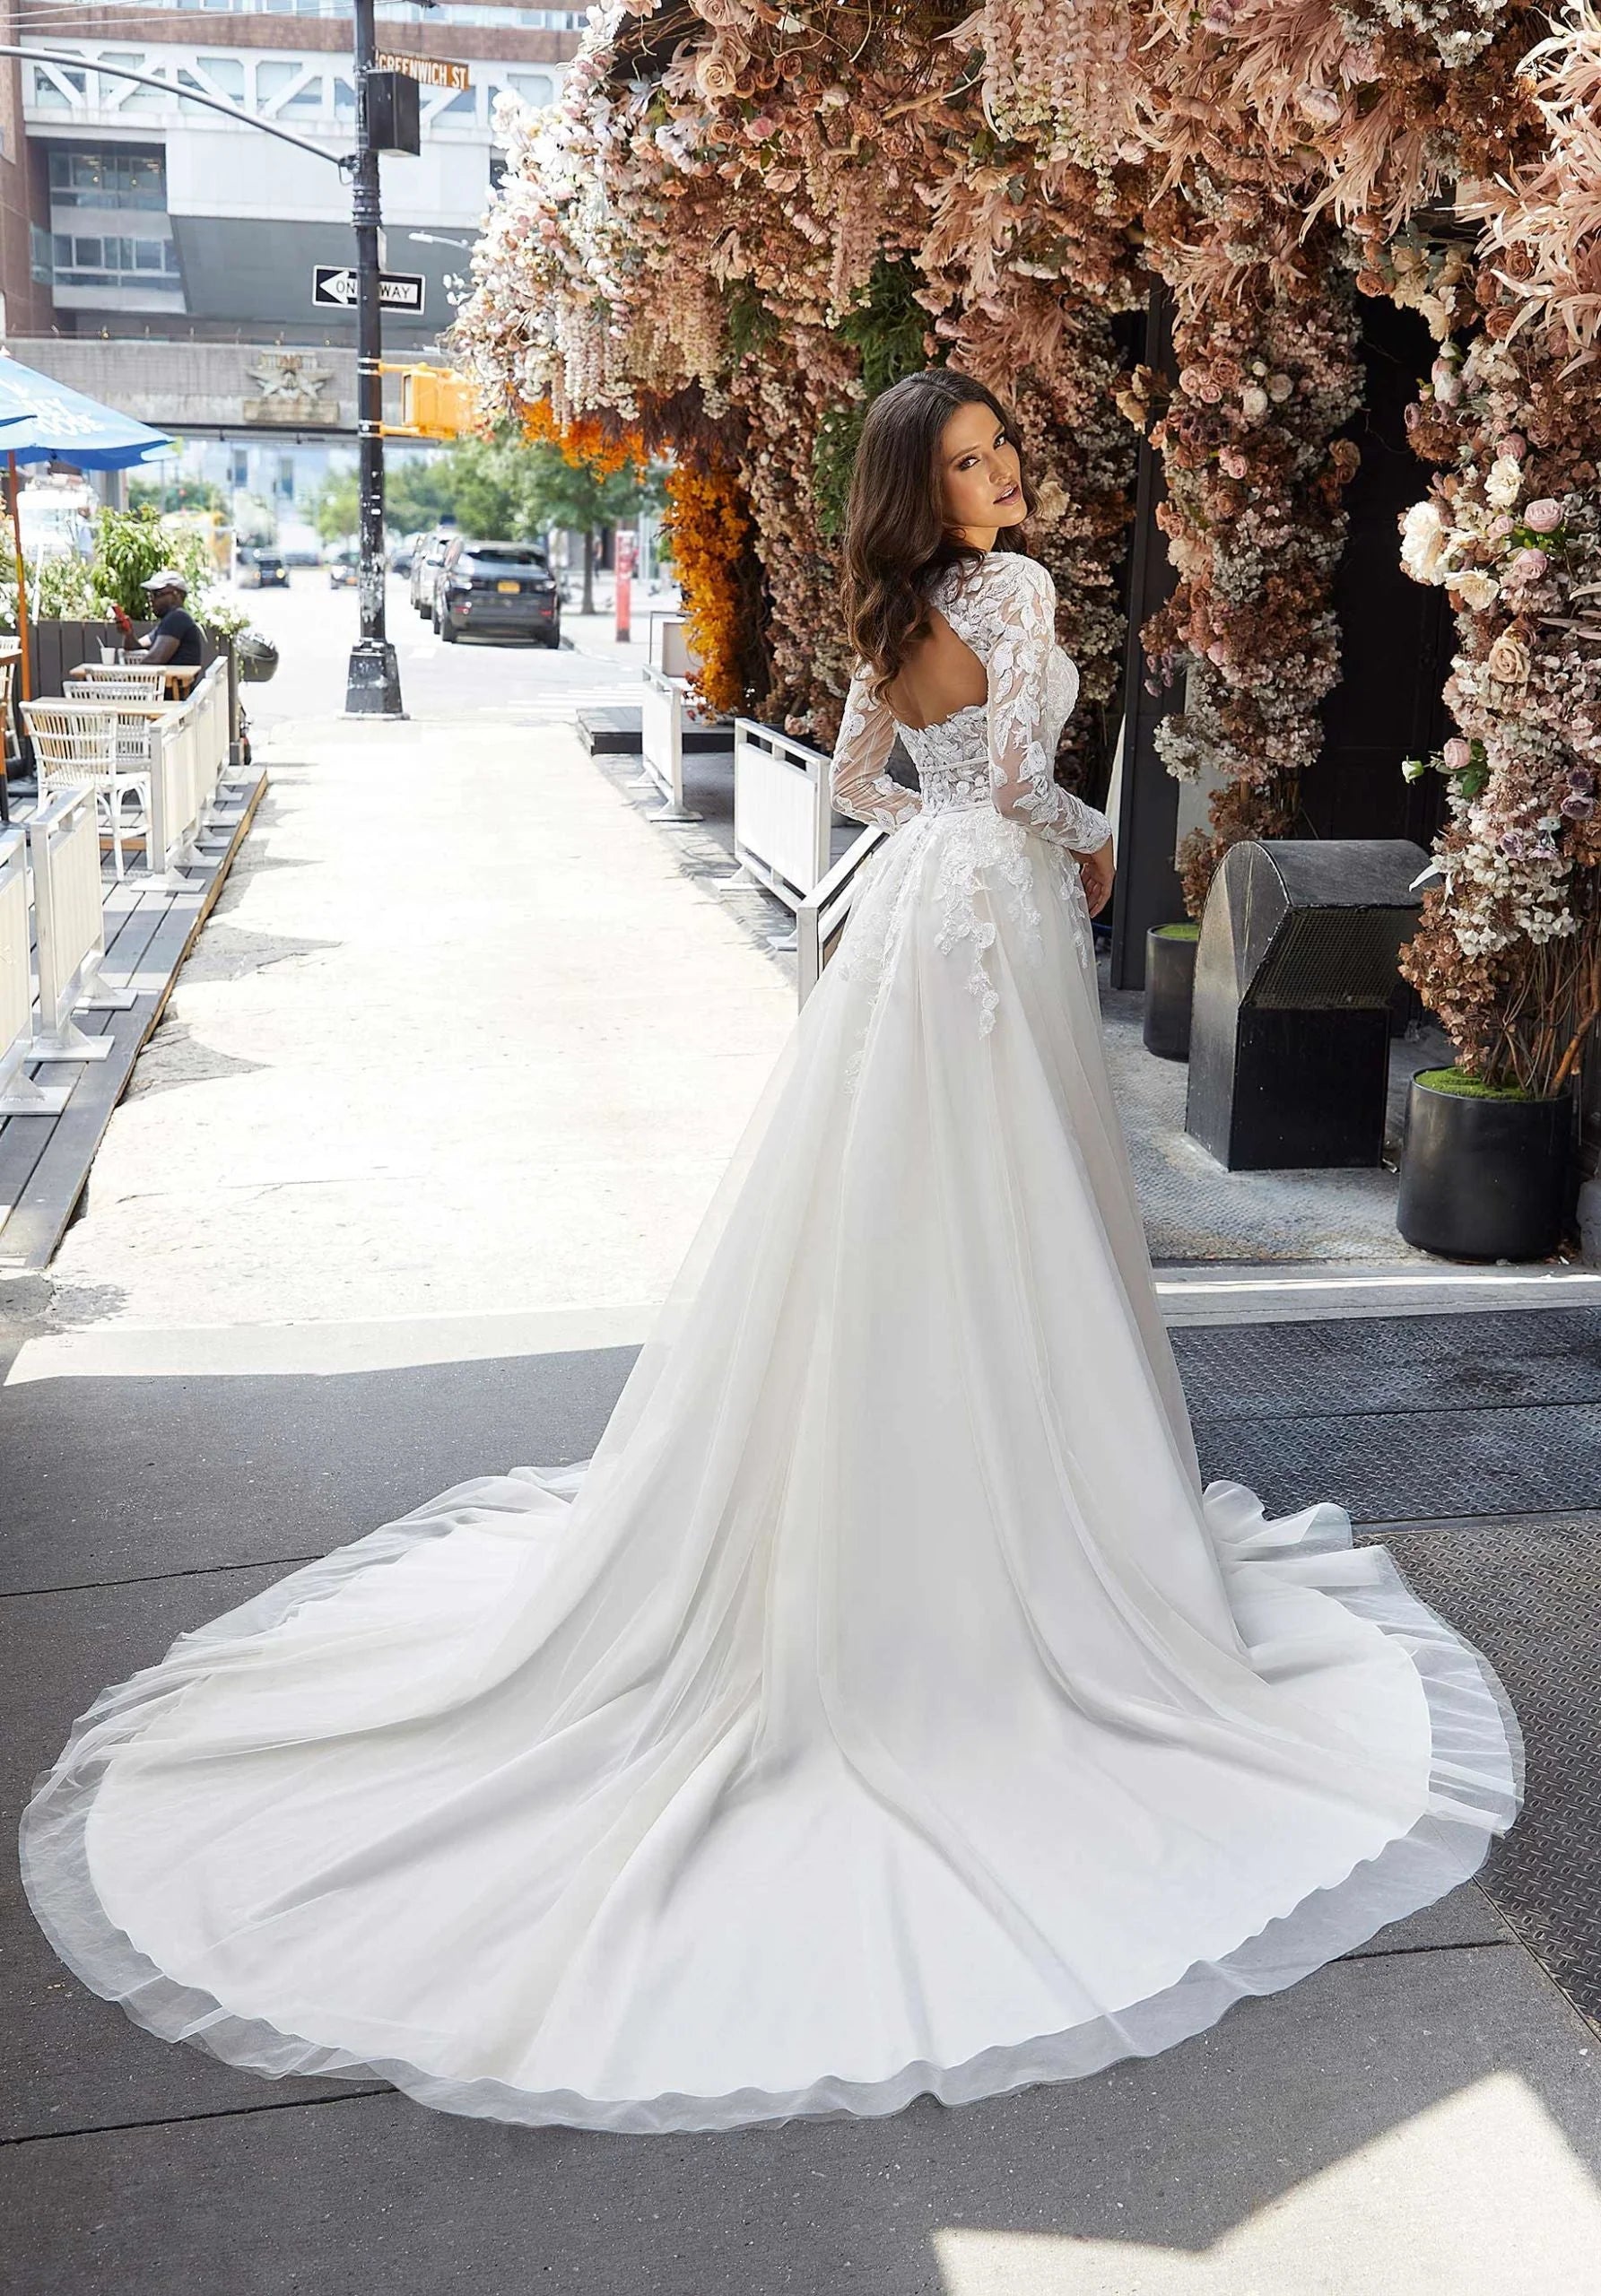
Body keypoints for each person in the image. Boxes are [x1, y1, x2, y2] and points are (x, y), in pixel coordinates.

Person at [19, 371, 1520, 2136]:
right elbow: (1032, 792)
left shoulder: (899, 620)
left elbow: (874, 787)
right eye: (964, 456)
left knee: (884, 1221)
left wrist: (961, 834)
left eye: (996, 448)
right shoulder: (1023, 598)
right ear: (917, 481)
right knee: (1009, 1213)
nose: (996, 471)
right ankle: (1025, 1528)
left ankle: (885, 1515)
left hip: (907, 932)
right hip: (994, 920)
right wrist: (1091, 842)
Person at [112, 569, 204, 669]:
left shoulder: (177, 618)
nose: (151, 599)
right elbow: (135, 648)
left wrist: (126, 677)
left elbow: (155, 659)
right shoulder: (170, 621)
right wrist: (128, 633)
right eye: (149, 594)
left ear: (175, 595)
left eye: (157, 594)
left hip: (171, 683)